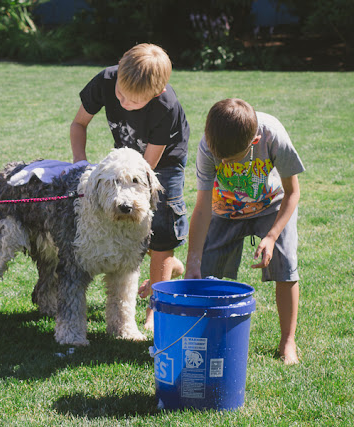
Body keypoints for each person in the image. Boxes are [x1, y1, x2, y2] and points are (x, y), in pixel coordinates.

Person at [70, 43, 188, 331]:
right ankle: (165, 267)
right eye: (120, 95)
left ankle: (154, 310)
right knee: (120, 217)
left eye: (133, 102)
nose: (123, 102)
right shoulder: (107, 81)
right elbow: (78, 124)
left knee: (158, 227)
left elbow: (145, 171)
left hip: (159, 163)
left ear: (156, 93)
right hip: (128, 156)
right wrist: (79, 164)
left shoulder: (165, 106)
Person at [185, 98, 304, 365]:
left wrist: (272, 236)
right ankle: (207, 336)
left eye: (231, 159)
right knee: (207, 273)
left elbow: (293, 192)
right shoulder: (208, 145)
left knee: (285, 266)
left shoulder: (272, 134)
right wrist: (194, 259)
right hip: (224, 210)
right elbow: (202, 207)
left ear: (254, 142)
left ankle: (288, 340)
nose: (224, 161)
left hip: (272, 205)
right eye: (221, 159)